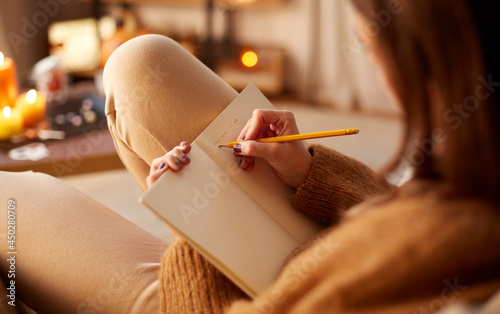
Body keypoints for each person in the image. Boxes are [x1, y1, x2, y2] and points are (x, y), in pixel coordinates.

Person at [1, 0, 500, 313]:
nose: (371, 57)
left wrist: (196, 228)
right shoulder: (473, 180)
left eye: (372, 41)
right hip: (317, 243)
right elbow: (400, 222)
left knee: (12, 200)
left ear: (433, 59)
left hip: (217, 299)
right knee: (140, 61)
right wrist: (311, 171)